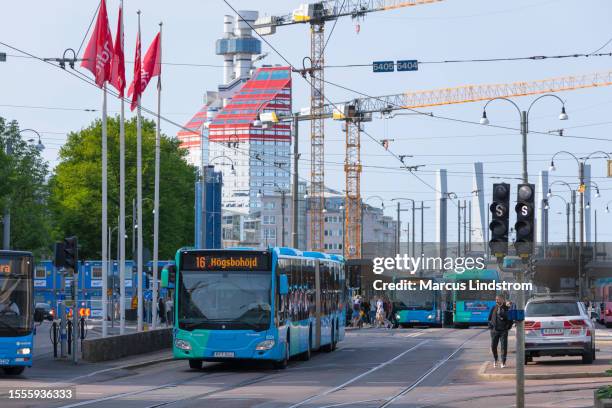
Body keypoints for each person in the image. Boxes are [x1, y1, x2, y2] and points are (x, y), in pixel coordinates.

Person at [488, 295, 513, 368]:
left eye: (498, 299)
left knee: (503, 347)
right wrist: (490, 327)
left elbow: (510, 319)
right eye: (496, 299)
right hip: (494, 331)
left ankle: (503, 362)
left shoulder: (507, 308)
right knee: (493, 346)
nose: (496, 301)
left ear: (502, 300)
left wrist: (508, 327)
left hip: (503, 331)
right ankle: (496, 359)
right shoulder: (493, 308)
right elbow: (489, 318)